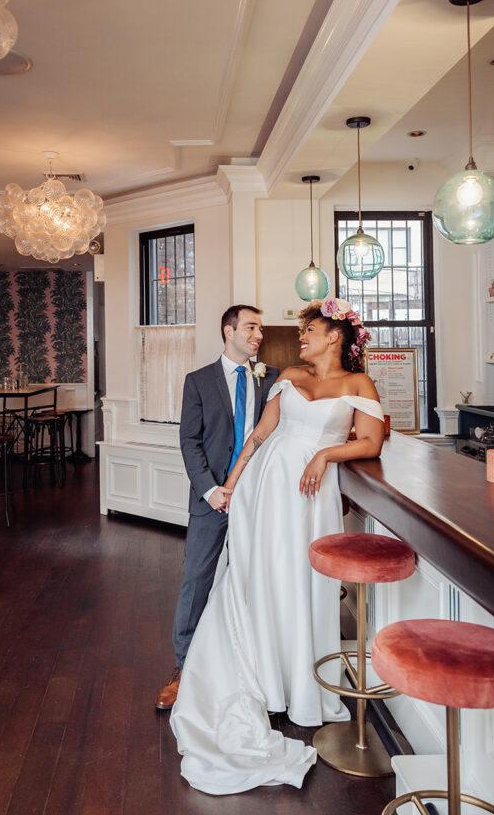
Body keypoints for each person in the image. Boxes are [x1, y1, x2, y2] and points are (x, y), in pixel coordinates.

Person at [169, 298, 385, 794]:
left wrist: (326, 454)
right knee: (262, 578)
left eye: (309, 329)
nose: (299, 336)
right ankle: (264, 677)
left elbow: (370, 442)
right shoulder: (287, 374)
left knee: (303, 581)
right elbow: (260, 436)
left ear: (336, 336)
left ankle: (302, 683)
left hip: (311, 497)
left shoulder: (358, 385)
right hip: (265, 492)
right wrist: (232, 484)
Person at [155, 305, 280, 710]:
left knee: (256, 580)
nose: (258, 333)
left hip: (258, 496)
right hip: (211, 498)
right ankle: (183, 667)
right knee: (197, 580)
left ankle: (255, 666)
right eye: (251, 326)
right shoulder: (197, 381)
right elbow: (189, 441)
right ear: (228, 330)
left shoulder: (274, 378)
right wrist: (210, 490)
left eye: (259, 327)